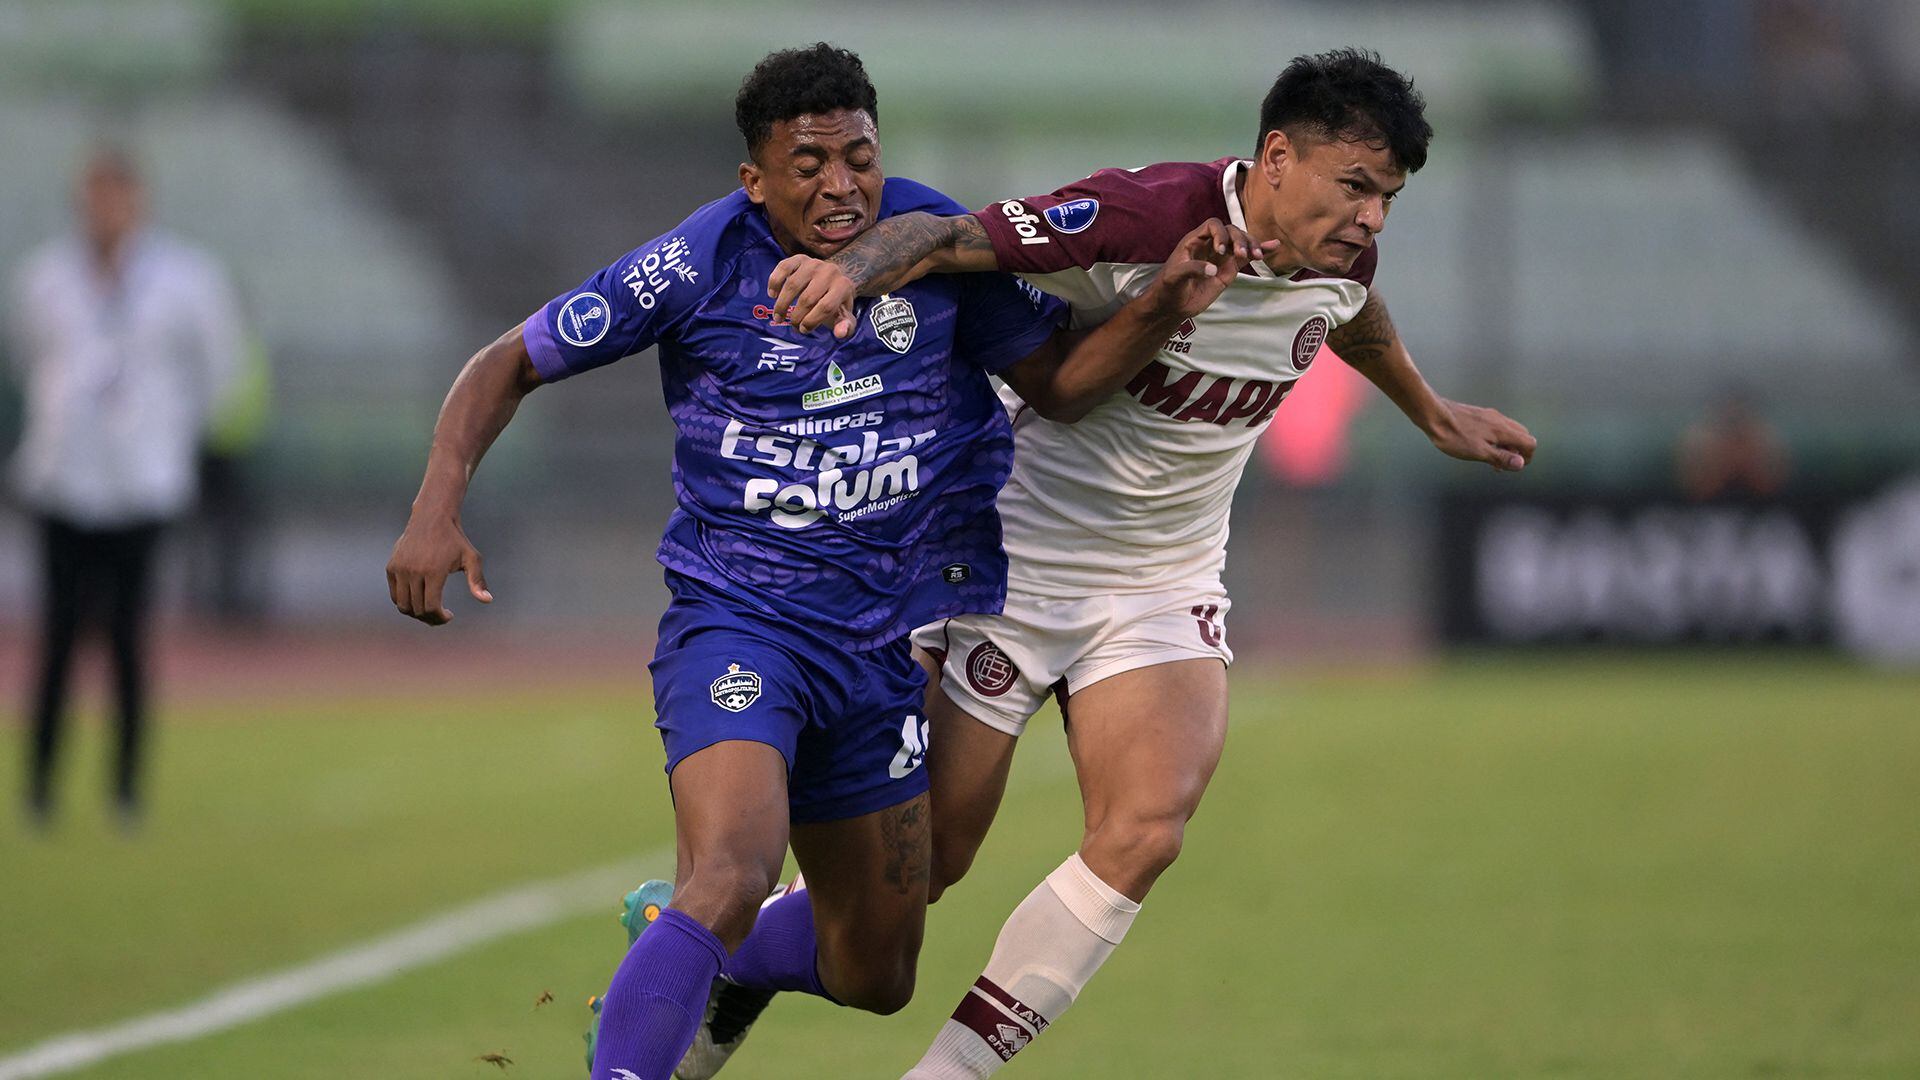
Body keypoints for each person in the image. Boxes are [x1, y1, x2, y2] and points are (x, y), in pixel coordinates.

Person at [385, 44, 1259, 1080]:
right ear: (754, 179)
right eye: (808, 164)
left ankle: (681, 945)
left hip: (885, 645)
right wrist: (436, 507)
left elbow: (1059, 386)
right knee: (733, 872)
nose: (841, 185)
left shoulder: (931, 243)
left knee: (878, 970)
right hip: (741, 622)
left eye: (859, 156)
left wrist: (1160, 307)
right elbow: (508, 361)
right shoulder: (695, 263)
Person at [772, 48, 1538, 1077]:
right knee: (919, 874)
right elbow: (951, 238)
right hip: (1013, 565)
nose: (1372, 220)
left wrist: (1432, 413)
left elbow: (1354, 320)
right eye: (1356, 187)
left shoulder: (1340, 261)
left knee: (1146, 828)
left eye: (1388, 198)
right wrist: (847, 269)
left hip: (1163, 585)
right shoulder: (1144, 217)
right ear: (1276, 157)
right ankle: (720, 952)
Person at [10, 146, 243, 828]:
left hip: (143, 482)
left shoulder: (185, 278)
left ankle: (125, 790)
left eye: (116, 195)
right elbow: (29, 358)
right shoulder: (45, 277)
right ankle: (41, 788)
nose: (105, 209)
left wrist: (172, 436)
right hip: (62, 476)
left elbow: (218, 370)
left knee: (126, 639)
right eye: (94, 195)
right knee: (54, 640)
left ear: (139, 201)